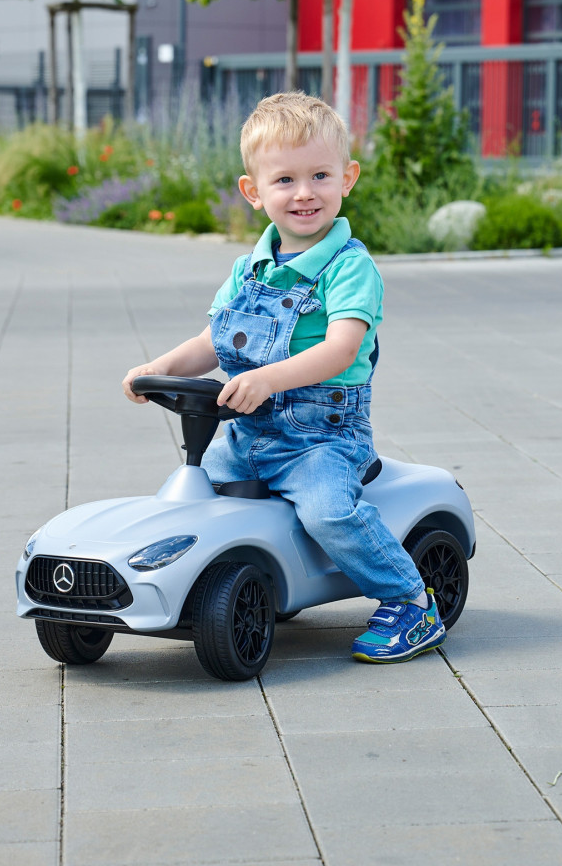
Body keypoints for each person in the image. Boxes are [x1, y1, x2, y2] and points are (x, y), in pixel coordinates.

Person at [121, 91, 444, 663]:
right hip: (247, 434)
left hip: (323, 438)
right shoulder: (247, 272)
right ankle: (195, 587)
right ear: (254, 192)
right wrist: (160, 368)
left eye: (320, 175)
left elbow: (341, 350)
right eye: (285, 180)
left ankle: (411, 602)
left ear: (347, 178)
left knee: (327, 511)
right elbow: (212, 341)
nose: (304, 193)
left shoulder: (350, 268)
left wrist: (269, 379)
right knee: (188, 498)